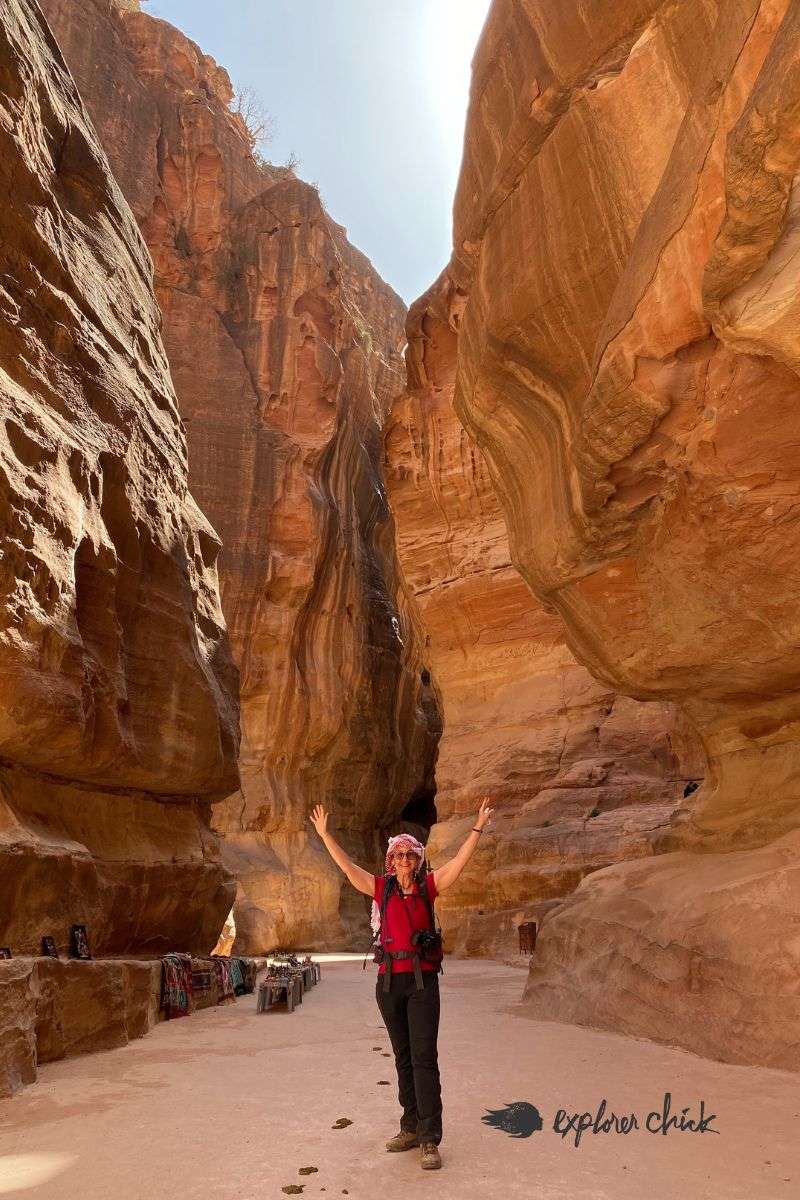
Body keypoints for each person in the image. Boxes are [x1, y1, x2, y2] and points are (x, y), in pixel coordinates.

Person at [309, 798, 494, 1171]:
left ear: (418, 861)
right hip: (390, 983)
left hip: (423, 983)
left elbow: (459, 862)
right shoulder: (382, 889)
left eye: (410, 856)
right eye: (399, 856)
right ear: (391, 861)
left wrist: (477, 828)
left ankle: (429, 1138)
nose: (404, 861)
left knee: (424, 1059)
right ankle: (409, 1127)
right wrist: (325, 835)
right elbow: (348, 868)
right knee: (403, 1057)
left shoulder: (429, 886)